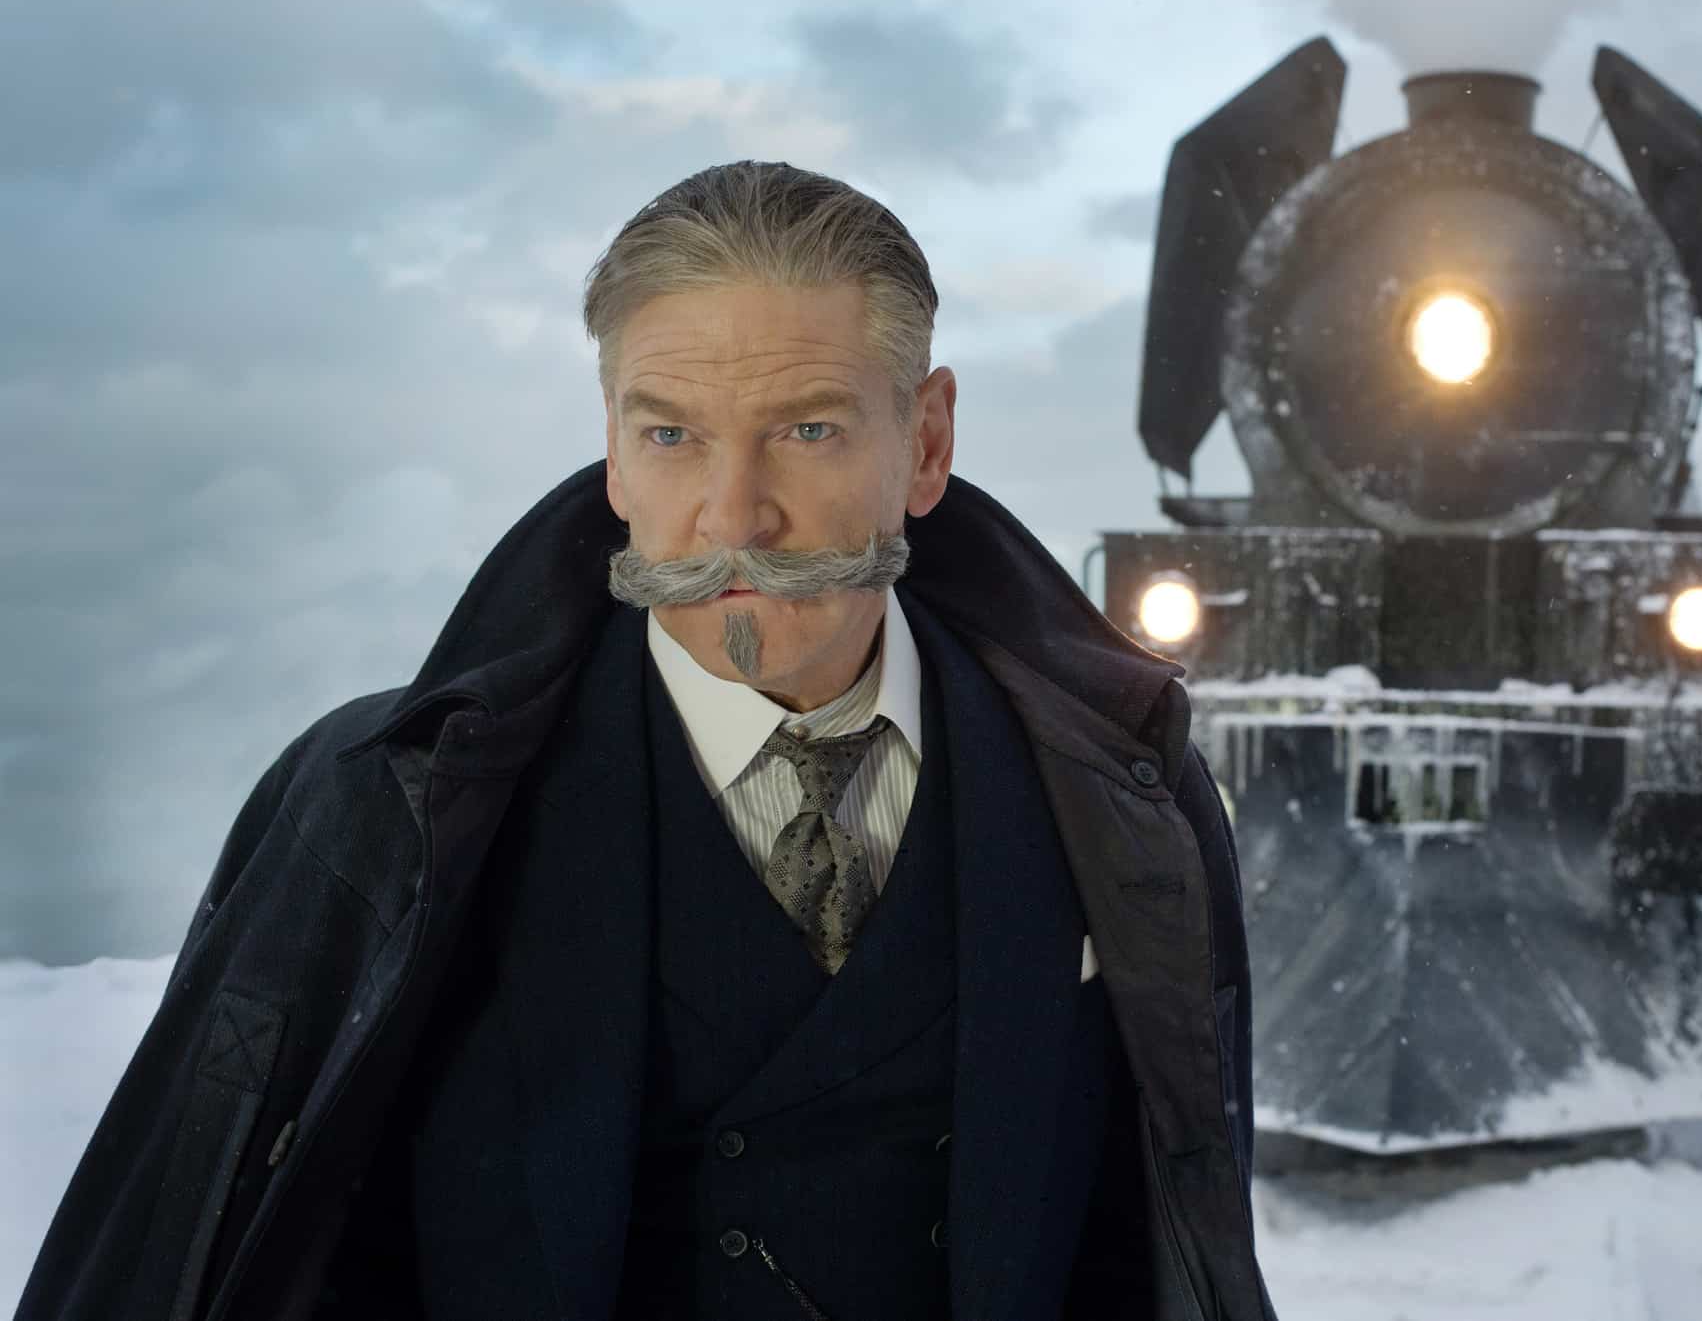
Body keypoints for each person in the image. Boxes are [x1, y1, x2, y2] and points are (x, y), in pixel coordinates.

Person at [15, 161, 1273, 1321]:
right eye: (671, 435)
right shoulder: (375, 809)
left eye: (808, 429)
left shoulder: (1117, 797)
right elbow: (179, 1248)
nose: (735, 513)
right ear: (614, 450)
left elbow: (1163, 1242)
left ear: (927, 444)